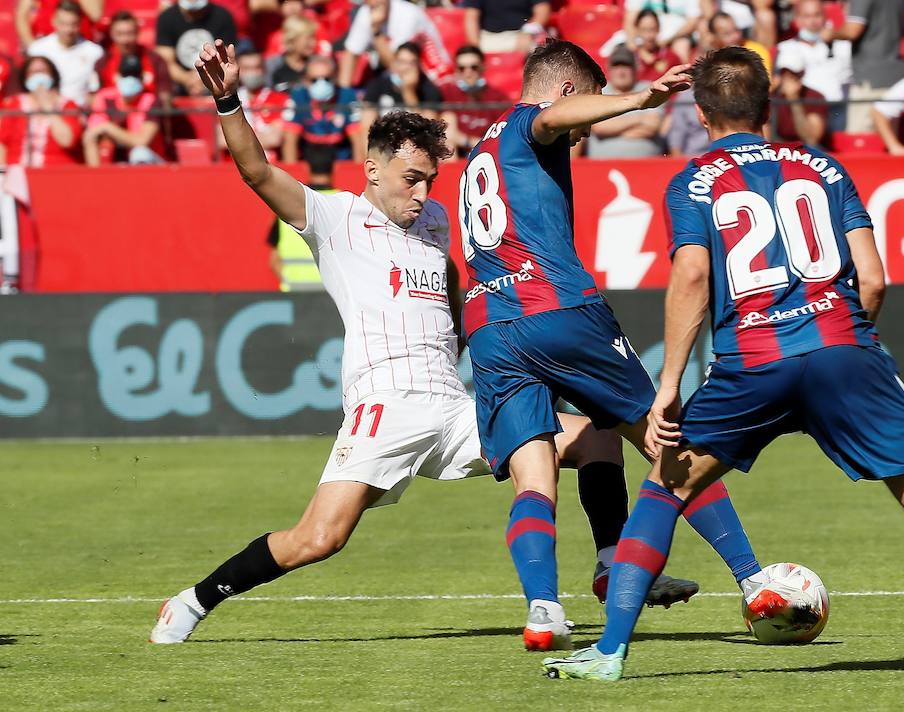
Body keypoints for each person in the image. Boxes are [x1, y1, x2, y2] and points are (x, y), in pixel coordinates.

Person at [150, 39, 698, 646]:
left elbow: (458, 287)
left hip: (453, 406)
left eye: (430, 180)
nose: (421, 193)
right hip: (384, 409)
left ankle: (607, 563)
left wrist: (475, 341)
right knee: (318, 539)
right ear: (373, 170)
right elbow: (256, 169)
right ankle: (195, 600)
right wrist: (227, 99)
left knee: (595, 436)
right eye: (411, 179)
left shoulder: (435, 222)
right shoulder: (331, 220)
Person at [542, 46, 904, 683]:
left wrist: (667, 388)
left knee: (665, 487)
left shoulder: (693, 179)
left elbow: (692, 274)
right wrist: (847, 344)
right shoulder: (824, 168)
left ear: (701, 109)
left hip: (753, 361)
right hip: (841, 347)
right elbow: (874, 281)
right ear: (769, 106)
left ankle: (608, 656)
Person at [456, 39, 763, 650]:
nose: (586, 129)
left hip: (489, 328)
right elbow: (548, 116)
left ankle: (551, 604)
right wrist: (641, 97)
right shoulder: (528, 123)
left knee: (542, 472)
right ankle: (756, 581)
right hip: (555, 307)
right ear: (571, 92)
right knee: (661, 433)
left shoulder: (477, 154)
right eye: (588, 106)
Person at [282, 54, 364, 188]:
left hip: (340, 160)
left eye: (327, 78)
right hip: (309, 161)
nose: (321, 84)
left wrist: (355, 177)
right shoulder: (297, 97)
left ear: (335, 77)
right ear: (306, 80)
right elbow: (290, 141)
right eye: (314, 80)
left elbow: (358, 141)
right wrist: (292, 179)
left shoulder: (348, 96)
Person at [832, 0, 904, 133]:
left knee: (861, 141)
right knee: (888, 138)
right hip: (895, 77)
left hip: (868, 81)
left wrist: (829, 34)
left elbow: (853, 30)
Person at [775, 0, 853, 131]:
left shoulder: (844, 46)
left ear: (825, 17)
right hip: (807, 115)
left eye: (817, 15)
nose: (812, 21)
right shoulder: (785, 48)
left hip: (840, 113)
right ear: (797, 19)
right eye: (807, 16)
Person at [339, 0, 449, 90]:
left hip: (433, 74)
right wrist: (344, 94)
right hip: (401, 72)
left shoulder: (408, 13)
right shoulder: (367, 11)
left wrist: (376, 30)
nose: (374, 3)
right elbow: (351, 53)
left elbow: (396, 64)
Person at [0, 56, 84, 167]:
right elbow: (2, 144)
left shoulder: (68, 105)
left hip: (55, 172)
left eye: (42, 71)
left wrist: (48, 107)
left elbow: (67, 141)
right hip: (17, 172)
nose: (38, 76)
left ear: (52, 75)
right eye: (33, 72)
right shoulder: (14, 104)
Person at [83, 54, 165, 165]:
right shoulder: (105, 98)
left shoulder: (152, 101)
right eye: (125, 75)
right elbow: (91, 135)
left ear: (142, 78)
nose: (130, 79)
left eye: (134, 76)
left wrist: (108, 128)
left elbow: (142, 141)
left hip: (151, 165)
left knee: (140, 154)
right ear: (117, 76)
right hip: (114, 163)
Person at [585, 46, 665, 158]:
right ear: (609, 68)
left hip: (646, 166)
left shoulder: (650, 88)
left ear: (635, 68)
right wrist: (640, 119)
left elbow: (653, 126)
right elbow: (599, 127)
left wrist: (613, 129)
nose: (621, 71)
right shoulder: (598, 92)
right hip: (601, 167)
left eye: (626, 66)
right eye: (617, 65)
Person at [26, 1, 104, 106]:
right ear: (54, 21)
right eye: (63, 24)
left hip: (78, 113)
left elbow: (94, 91)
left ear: (80, 23)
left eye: (73, 24)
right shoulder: (37, 50)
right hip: (46, 113)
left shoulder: (94, 52)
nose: (68, 30)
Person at [361, 41, 445, 137]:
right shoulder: (378, 84)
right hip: (384, 141)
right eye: (402, 62)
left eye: (411, 63)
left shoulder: (429, 89)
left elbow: (426, 131)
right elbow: (366, 123)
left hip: (414, 143)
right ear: (395, 63)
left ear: (418, 65)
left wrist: (408, 90)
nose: (406, 68)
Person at [156, 0, 240, 96]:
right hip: (179, 85)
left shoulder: (222, 16)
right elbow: (165, 61)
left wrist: (206, 79)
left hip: (216, 79)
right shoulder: (167, 18)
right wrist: (187, 79)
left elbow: (226, 58)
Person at [440, 45, 511, 157]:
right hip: (456, 155)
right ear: (456, 70)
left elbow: (505, 137)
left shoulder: (497, 98)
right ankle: (451, 172)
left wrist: (466, 140)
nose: (468, 73)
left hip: (487, 155)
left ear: (483, 67)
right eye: (462, 68)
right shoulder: (447, 93)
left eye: (474, 67)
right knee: (447, 122)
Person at [96, 11, 174, 102]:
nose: (125, 40)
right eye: (119, 34)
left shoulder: (155, 60)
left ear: (138, 32)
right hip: (114, 114)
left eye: (130, 33)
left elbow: (165, 93)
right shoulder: (103, 62)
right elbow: (96, 98)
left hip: (148, 112)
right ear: (111, 34)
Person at [770, 52, 827, 146]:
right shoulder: (773, 96)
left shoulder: (815, 97)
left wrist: (794, 100)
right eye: (784, 73)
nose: (788, 77)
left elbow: (811, 139)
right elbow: (765, 136)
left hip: (807, 149)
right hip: (780, 148)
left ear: (801, 74)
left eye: (793, 73)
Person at [462, 0, 551, 54]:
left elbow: (542, 10)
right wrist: (475, 48)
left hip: (524, 35)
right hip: (488, 38)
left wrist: (528, 32)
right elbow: (471, 17)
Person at [626, 10, 686, 84]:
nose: (649, 36)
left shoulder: (671, 57)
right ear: (637, 30)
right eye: (644, 30)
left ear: (658, 29)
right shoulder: (629, 57)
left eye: (652, 29)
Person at [15, 0, 101, 52]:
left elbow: (95, 14)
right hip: (45, 45)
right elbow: (21, 15)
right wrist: (32, 46)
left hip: (78, 46)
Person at [267, 14, 323, 90]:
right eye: (308, 38)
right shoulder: (273, 66)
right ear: (293, 39)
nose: (313, 43)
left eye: (314, 38)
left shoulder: (319, 64)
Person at [704, 12, 772, 73]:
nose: (735, 36)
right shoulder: (710, 58)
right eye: (727, 34)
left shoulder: (756, 51)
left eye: (736, 30)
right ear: (714, 37)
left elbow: (766, 84)